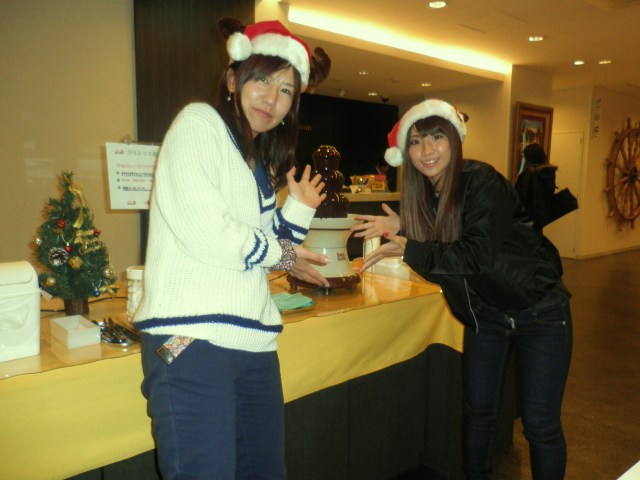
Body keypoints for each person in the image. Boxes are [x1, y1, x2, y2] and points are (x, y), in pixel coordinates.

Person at [133, 17, 331, 479]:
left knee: (266, 471)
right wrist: (285, 257)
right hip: (190, 340)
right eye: (262, 79)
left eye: (286, 90)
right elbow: (209, 232)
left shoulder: (256, 162)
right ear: (231, 78)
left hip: (255, 344)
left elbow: (263, 249)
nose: (272, 98)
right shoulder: (198, 123)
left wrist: (299, 209)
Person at [351, 99, 572, 480]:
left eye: (437, 137)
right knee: (478, 413)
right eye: (416, 141)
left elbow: (474, 256)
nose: (427, 149)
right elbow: (446, 263)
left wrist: (411, 246)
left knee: (540, 425)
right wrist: (407, 230)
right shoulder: (426, 197)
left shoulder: (481, 181)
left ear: (454, 140)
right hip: (486, 315)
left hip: (540, 311)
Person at [515, 143, 558, 232]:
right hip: (540, 218)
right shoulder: (548, 173)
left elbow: (520, 198)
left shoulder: (529, 174)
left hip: (525, 220)